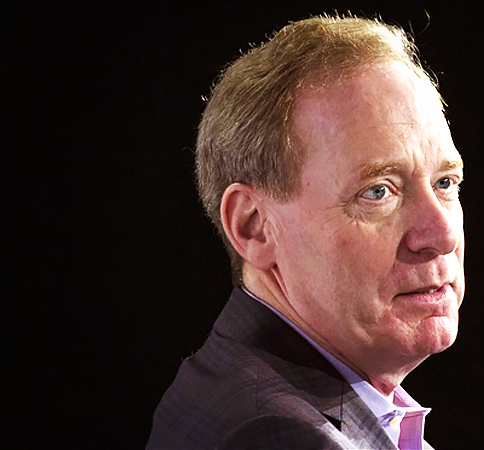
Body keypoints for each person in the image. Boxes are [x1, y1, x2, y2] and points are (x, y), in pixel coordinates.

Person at [146, 14, 465, 450]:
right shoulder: (276, 436)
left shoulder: (237, 381)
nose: (442, 233)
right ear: (254, 227)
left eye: (445, 183)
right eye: (378, 191)